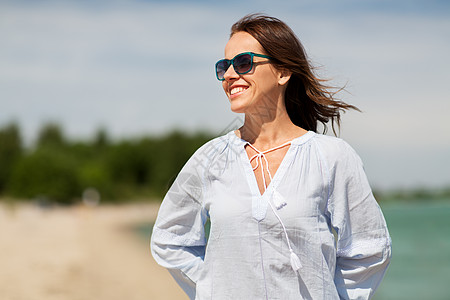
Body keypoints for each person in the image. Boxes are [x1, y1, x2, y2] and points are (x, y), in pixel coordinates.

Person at [151, 14, 391, 300]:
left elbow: (370, 248)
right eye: (223, 66)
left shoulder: (332, 157)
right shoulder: (209, 159)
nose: (229, 75)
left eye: (243, 63)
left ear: (283, 72)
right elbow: (170, 239)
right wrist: (213, 288)